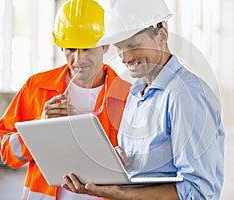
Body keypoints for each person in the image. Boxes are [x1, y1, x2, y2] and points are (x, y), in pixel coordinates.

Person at [62, 0, 225, 199]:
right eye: (119, 48)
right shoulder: (136, 92)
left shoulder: (185, 95)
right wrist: (116, 163)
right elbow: (147, 168)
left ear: (162, 36)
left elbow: (198, 193)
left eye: (132, 45)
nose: (124, 58)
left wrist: (119, 193)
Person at [0, 0, 131, 199]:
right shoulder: (37, 87)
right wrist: (39, 130)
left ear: (105, 45)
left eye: (87, 49)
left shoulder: (128, 96)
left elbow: (142, 161)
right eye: (70, 49)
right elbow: (7, 153)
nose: (78, 59)